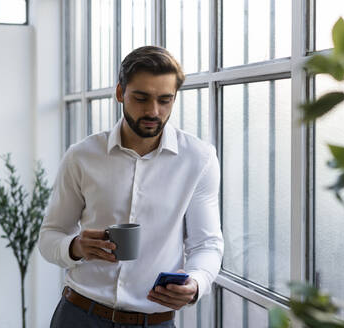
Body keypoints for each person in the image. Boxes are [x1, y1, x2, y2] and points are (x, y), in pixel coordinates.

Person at [38, 46, 224, 328]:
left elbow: (207, 243)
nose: (153, 111)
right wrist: (75, 246)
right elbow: (50, 236)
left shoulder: (199, 159)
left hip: (155, 321)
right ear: (120, 93)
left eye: (165, 100)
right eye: (141, 98)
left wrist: (196, 283)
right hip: (78, 316)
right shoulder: (82, 156)